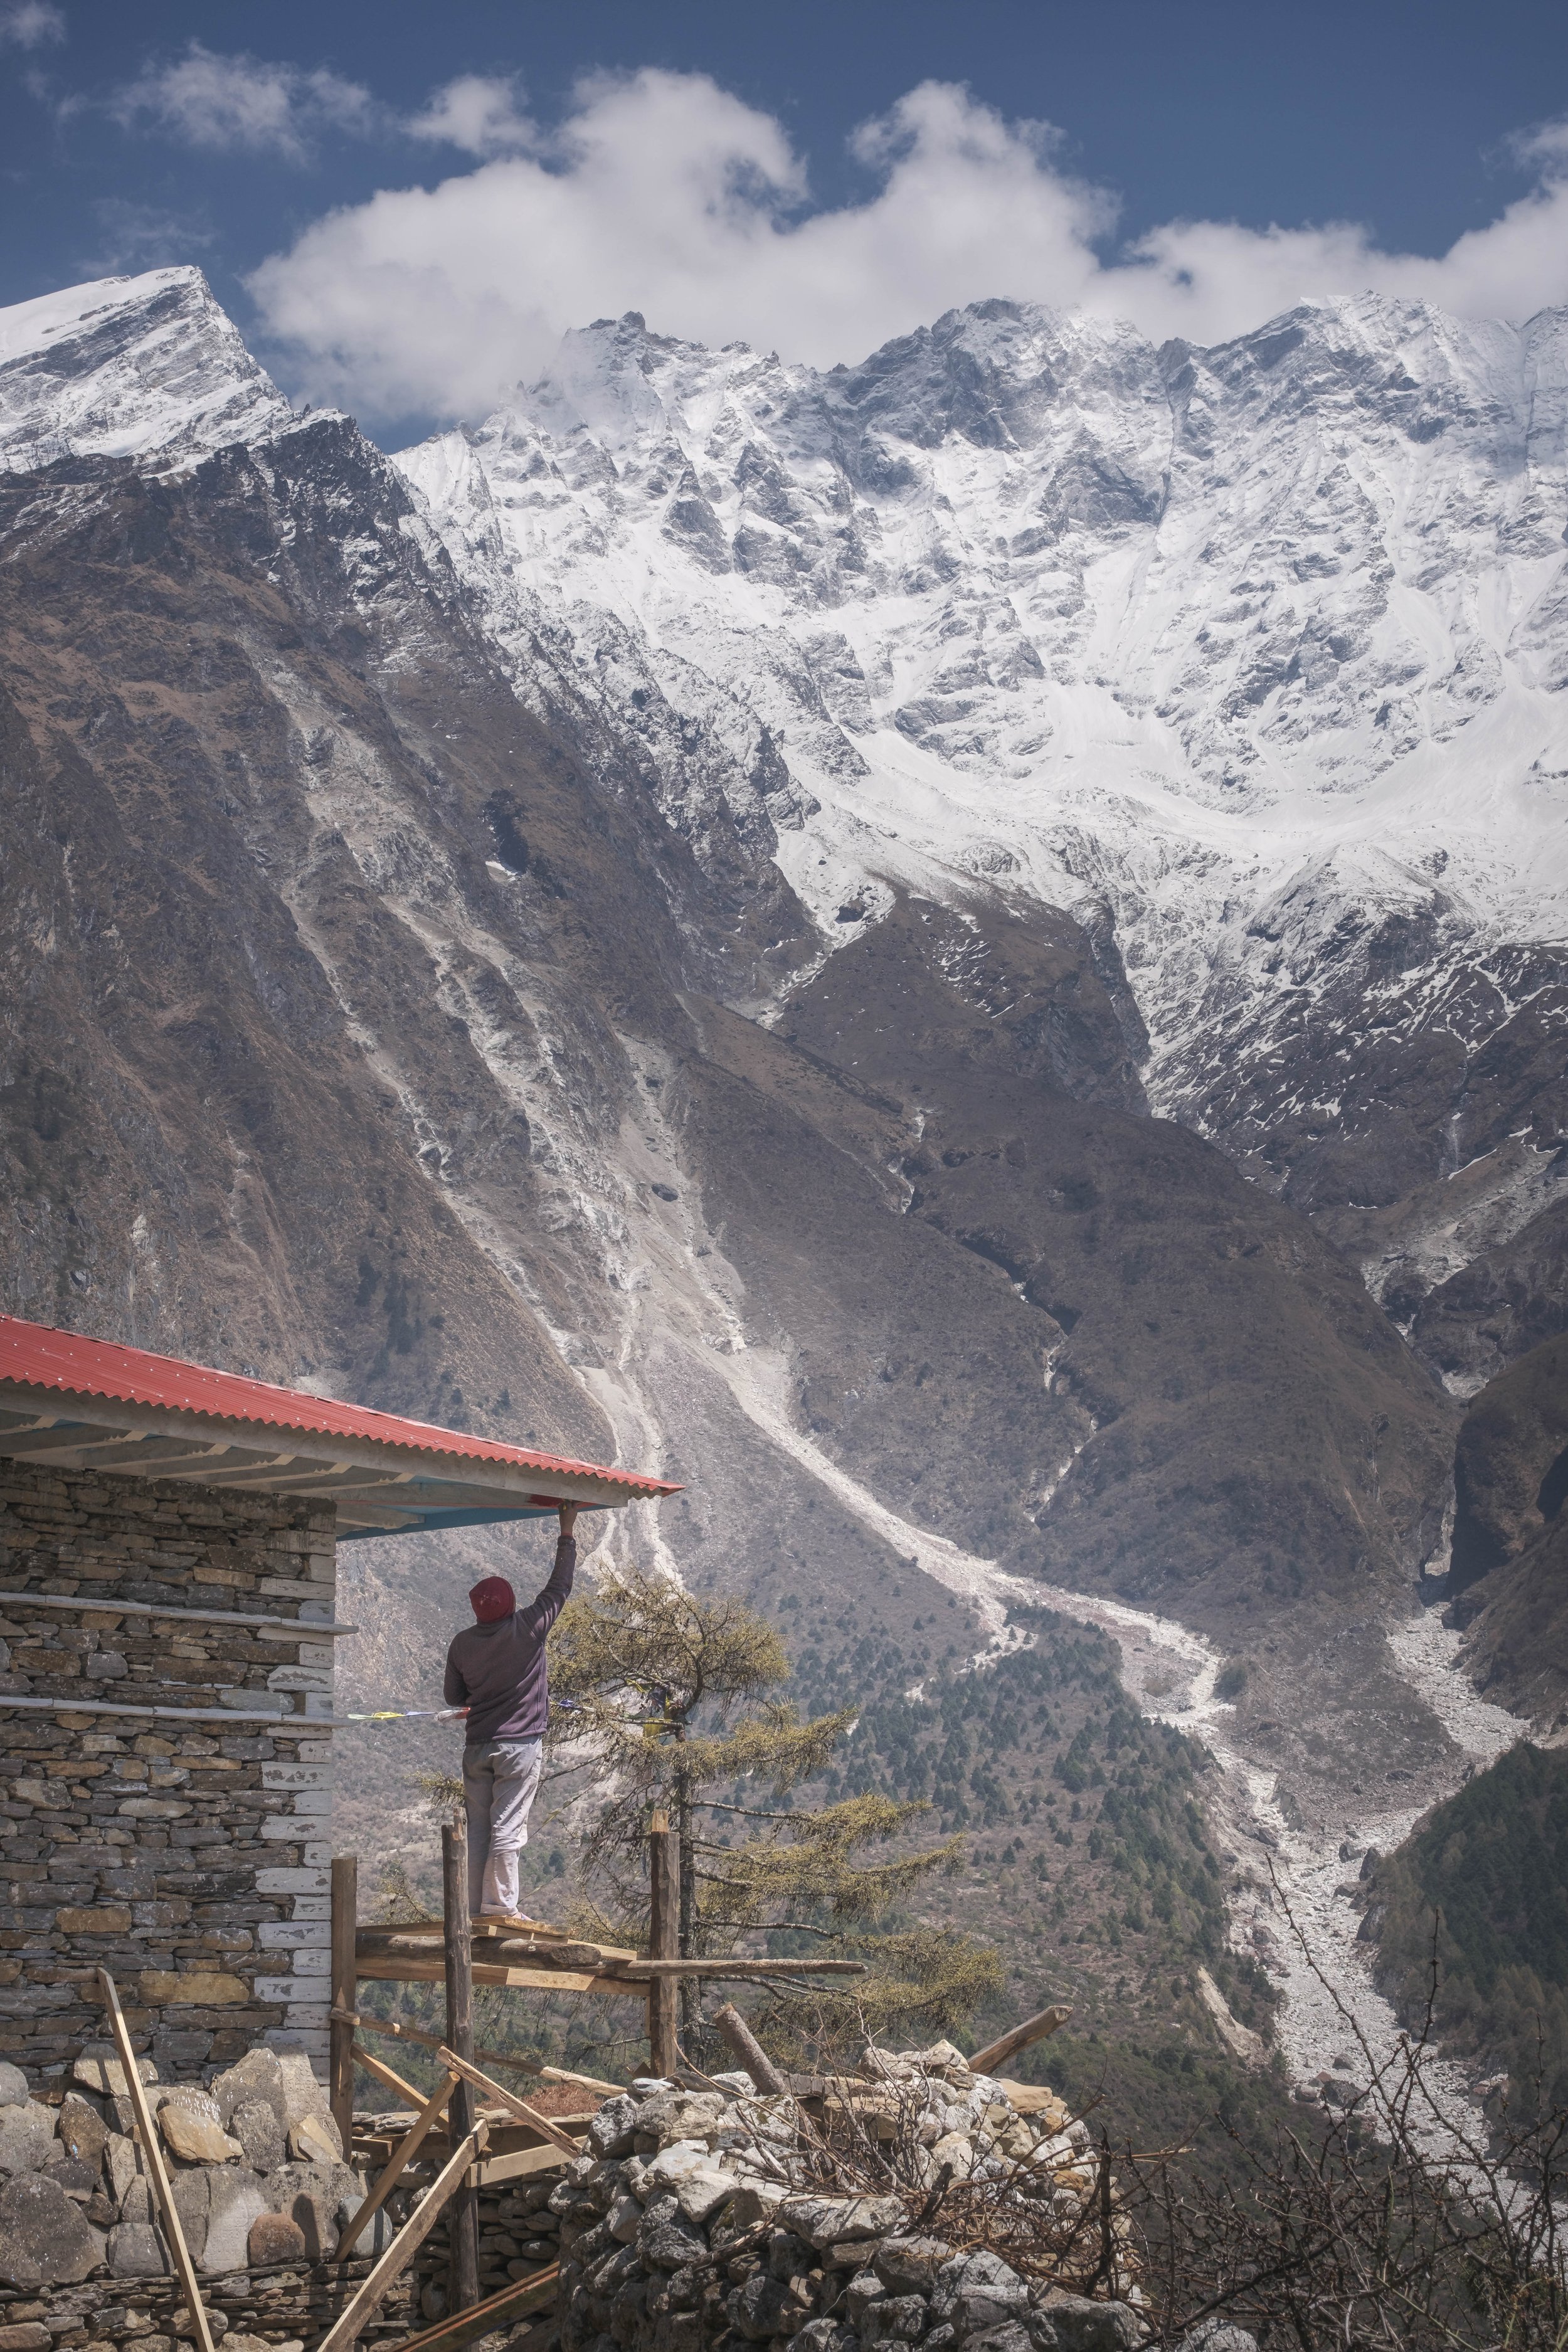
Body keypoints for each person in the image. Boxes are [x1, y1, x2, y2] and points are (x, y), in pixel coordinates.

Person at [443, 1502, 579, 1920]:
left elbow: (454, 1697)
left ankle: (472, 1908)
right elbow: (559, 1588)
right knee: (508, 1828)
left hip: (477, 1748)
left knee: (480, 1828)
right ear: (510, 1602)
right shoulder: (529, 1628)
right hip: (519, 1748)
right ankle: (500, 1907)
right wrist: (567, 1529)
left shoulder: (462, 1643)